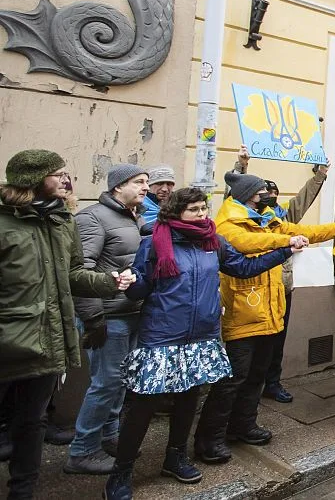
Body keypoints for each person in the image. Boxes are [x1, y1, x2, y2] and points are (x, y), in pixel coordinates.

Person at [103, 188, 296, 499]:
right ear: (176, 212)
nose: (202, 215)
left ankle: (175, 457)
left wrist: (284, 250)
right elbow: (140, 287)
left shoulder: (213, 241)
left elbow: (243, 268)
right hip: (162, 335)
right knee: (144, 406)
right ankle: (122, 471)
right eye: (194, 210)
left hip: (202, 336)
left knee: (189, 400)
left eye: (204, 209)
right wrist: (130, 282)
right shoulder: (154, 242)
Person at [194, 172, 335, 464]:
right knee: (232, 379)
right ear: (248, 196)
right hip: (243, 314)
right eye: (260, 192)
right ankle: (210, 438)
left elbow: (309, 230)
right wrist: (286, 241)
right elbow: (251, 244)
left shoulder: (269, 218)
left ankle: (244, 425)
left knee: (256, 375)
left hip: (270, 311)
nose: (267, 195)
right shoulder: (228, 224)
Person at [0, 150, 134, 499]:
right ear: (32, 180)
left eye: (65, 172)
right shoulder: (5, 222)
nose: (66, 179)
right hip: (7, 340)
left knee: (33, 421)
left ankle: (22, 491)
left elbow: (73, 272)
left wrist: (109, 282)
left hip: (47, 340)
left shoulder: (61, 221)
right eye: (56, 174)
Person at [62, 164, 149, 477]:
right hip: (108, 317)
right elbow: (80, 272)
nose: (145, 188)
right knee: (106, 383)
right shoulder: (93, 218)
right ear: (117, 186)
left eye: (146, 182)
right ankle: (83, 450)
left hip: (130, 313)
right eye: (138, 182)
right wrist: (93, 317)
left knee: (121, 381)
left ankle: (109, 435)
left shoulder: (133, 217)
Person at [231, 148, 329, 404]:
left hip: (283, 289)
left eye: (274, 195)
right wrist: (241, 168)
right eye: (266, 194)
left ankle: (272, 384)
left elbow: (303, 200)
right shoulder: (246, 220)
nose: (270, 199)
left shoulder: (282, 217)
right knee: (253, 349)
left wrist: (320, 175)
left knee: (276, 343)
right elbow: (233, 195)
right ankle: (248, 394)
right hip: (254, 292)